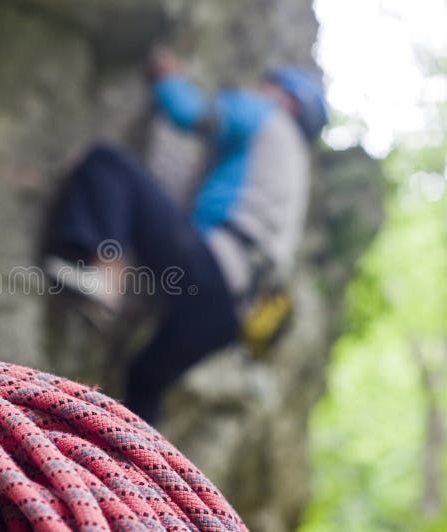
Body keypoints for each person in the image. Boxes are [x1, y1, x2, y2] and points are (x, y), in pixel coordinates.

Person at [42, 48, 328, 424]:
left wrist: (167, 78)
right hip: (233, 313)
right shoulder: (294, 168)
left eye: (267, 86)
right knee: (144, 380)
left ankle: (102, 272)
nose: (257, 89)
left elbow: (194, 114)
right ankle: (141, 476)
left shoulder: (267, 116)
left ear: (288, 102)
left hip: (213, 268)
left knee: (106, 162)